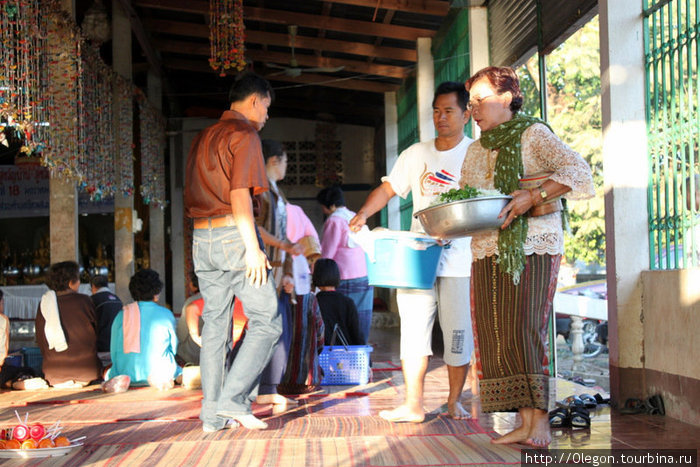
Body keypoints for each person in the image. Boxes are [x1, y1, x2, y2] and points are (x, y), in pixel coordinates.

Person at [460, 66, 594, 447]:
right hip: (487, 247)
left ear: (506, 99)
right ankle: (523, 420)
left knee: (524, 330)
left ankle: (540, 424)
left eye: (480, 101)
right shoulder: (475, 149)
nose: (474, 110)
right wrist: (447, 226)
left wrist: (534, 196)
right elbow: (469, 198)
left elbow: (579, 172)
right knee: (495, 334)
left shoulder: (534, 135)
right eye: (470, 103)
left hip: (533, 245)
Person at [349, 81, 475, 422]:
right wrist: (363, 213)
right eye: (436, 111)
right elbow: (389, 188)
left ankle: (454, 401)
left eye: (449, 111)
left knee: (458, 333)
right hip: (418, 257)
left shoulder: (476, 153)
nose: (441, 117)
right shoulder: (416, 154)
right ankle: (414, 405)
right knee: (414, 330)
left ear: (466, 114)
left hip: (461, 260)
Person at [184, 72, 282, 433]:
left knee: (215, 327)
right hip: (233, 235)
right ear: (255, 101)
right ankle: (233, 401)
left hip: (202, 239)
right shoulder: (244, 135)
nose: (267, 116)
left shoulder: (202, 137)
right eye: (267, 107)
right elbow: (240, 194)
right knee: (268, 319)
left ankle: (212, 417)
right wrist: (253, 249)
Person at [316, 185, 374, 344]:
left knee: (340, 322)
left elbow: (327, 252)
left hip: (344, 279)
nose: (324, 211)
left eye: (323, 207)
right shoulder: (354, 216)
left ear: (331, 205)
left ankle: (342, 358)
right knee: (360, 321)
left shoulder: (334, 220)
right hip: (364, 277)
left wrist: (316, 276)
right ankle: (362, 357)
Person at [106, 269, 181, 389]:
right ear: (156, 293)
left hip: (125, 375)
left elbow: (114, 352)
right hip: (160, 373)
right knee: (177, 368)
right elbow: (173, 348)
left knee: (107, 372)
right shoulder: (165, 314)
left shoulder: (121, 315)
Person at [35, 261, 102, 387]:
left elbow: (40, 339)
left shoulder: (44, 304)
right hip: (87, 371)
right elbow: (95, 333)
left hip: (54, 373)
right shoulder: (84, 300)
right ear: (71, 283)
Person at [312, 259, 364, 346]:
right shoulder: (348, 303)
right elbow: (357, 334)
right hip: (346, 356)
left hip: (320, 354)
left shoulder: (313, 303)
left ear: (316, 277)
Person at [90, 275, 123, 365]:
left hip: (100, 348)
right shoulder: (118, 300)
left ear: (93, 286)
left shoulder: (92, 300)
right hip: (116, 347)